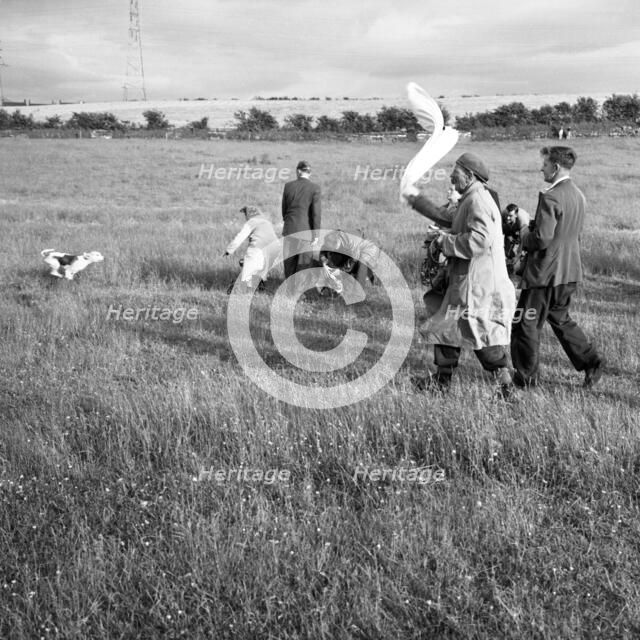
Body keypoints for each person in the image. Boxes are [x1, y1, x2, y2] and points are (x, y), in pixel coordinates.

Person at [403, 152, 516, 395]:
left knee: (481, 335)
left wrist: (445, 242)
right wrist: (415, 199)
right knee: (446, 328)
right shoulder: (470, 198)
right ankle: (441, 382)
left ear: (470, 175)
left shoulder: (478, 202)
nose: (452, 180)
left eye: (456, 175)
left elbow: (480, 241)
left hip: (478, 285)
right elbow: (448, 217)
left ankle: (505, 383)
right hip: (467, 282)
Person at [510, 146, 603, 388]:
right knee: (560, 319)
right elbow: (562, 231)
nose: (542, 167)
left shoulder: (551, 196)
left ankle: (526, 379)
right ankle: (592, 362)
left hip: (546, 274)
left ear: (556, 167)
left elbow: (541, 238)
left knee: (525, 324)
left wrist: (522, 229)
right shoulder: (578, 194)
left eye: (545, 164)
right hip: (570, 271)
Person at [281, 160, 321, 282]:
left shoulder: (288, 186)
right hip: (306, 232)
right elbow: (316, 214)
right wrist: (316, 235)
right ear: (309, 172)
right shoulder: (315, 188)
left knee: (289, 263)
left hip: (290, 229)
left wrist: (288, 223)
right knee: (304, 263)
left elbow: (284, 210)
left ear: (298, 171)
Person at [224, 205, 279, 292]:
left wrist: (229, 250)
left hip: (258, 248)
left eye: (245, 214)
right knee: (260, 271)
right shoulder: (266, 222)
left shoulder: (252, 221)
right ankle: (260, 287)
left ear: (248, 214)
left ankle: (238, 290)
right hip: (274, 249)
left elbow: (241, 236)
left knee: (247, 273)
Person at [501, 203, 531, 280]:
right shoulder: (503, 214)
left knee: (522, 247)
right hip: (509, 227)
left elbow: (522, 242)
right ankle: (507, 261)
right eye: (507, 215)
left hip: (522, 229)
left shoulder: (523, 221)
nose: (507, 218)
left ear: (516, 215)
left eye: (510, 216)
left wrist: (518, 256)